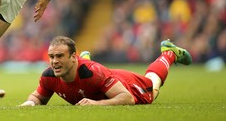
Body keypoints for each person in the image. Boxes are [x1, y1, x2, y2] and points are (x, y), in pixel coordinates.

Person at [19, 36, 192, 106]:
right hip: (95, 76)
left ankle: (169, 53)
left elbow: (127, 98)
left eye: (59, 56)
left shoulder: (93, 73)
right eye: (51, 57)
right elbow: (37, 97)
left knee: (153, 87)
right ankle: (86, 61)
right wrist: (30, 103)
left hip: (124, 83)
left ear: (73, 56)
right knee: (88, 74)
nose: (54, 61)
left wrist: (96, 104)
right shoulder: (49, 75)